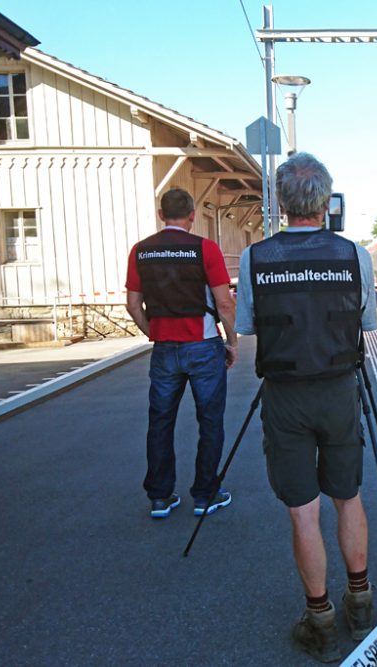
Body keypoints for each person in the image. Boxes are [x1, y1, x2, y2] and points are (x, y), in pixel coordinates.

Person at [235, 153, 377, 662]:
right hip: (340, 391)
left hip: (285, 396)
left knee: (303, 511)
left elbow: (247, 328)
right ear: (324, 199)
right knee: (349, 496)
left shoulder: (255, 258)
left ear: (280, 200)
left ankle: (319, 621)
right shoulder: (354, 256)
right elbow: (368, 324)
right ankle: (360, 602)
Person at [125, 187, 237, 520]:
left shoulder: (140, 251)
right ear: (191, 215)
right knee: (210, 421)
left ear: (161, 215)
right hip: (203, 346)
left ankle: (160, 497)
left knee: (160, 421)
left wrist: (154, 333)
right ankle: (205, 495)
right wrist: (232, 341)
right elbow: (225, 302)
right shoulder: (205, 249)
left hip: (164, 350)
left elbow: (132, 305)